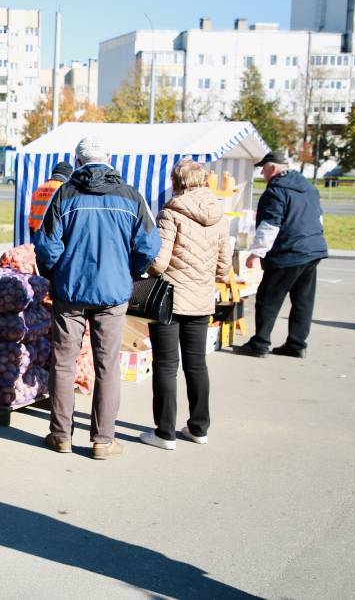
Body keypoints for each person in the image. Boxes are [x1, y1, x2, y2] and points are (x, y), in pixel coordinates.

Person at [34, 136, 161, 460]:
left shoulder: (65, 194)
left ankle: (60, 435)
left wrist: (56, 273)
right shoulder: (131, 196)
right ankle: (103, 440)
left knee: (63, 364)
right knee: (107, 366)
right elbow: (148, 245)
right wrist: (127, 271)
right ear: (109, 160)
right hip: (112, 293)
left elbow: (47, 247)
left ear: (77, 162)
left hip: (70, 292)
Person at [139, 160, 231, 451]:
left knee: (166, 365)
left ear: (177, 181)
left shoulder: (170, 213)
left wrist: (150, 269)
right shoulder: (220, 215)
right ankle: (198, 427)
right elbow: (224, 267)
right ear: (203, 181)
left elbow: (160, 262)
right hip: (201, 300)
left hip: (170, 299)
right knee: (197, 364)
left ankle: (165, 433)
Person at [234, 151, 328, 358]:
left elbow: (270, 224)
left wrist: (256, 254)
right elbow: (318, 218)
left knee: (268, 298)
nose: (262, 174)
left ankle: (260, 344)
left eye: (263, 169)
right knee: (303, 300)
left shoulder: (276, 191)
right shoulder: (309, 188)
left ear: (273, 168)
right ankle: (297, 344)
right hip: (313, 249)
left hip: (289, 251)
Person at [28, 161, 74, 234]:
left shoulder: (39, 189)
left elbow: (32, 215)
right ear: (68, 175)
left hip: (37, 233)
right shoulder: (64, 190)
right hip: (54, 236)